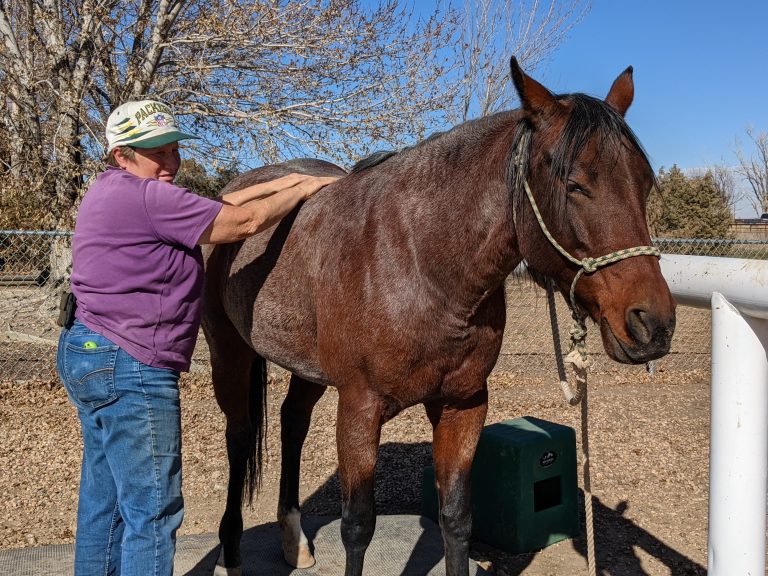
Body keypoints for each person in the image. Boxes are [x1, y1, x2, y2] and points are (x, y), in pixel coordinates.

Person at [55, 99, 338, 576]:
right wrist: (305, 188)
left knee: (104, 506)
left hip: (88, 352)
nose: (171, 162)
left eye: (173, 150)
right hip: (132, 367)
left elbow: (224, 204)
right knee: (152, 512)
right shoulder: (148, 198)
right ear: (121, 154)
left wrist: (295, 182)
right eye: (156, 153)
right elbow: (243, 222)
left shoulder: (110, 191)